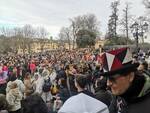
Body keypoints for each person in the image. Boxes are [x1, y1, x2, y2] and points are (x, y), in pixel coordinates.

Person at [100, 47, 150, 113]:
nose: (108, 83)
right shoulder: (120, 93)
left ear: (130, 76)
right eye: (107, 78)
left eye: (112, 79)